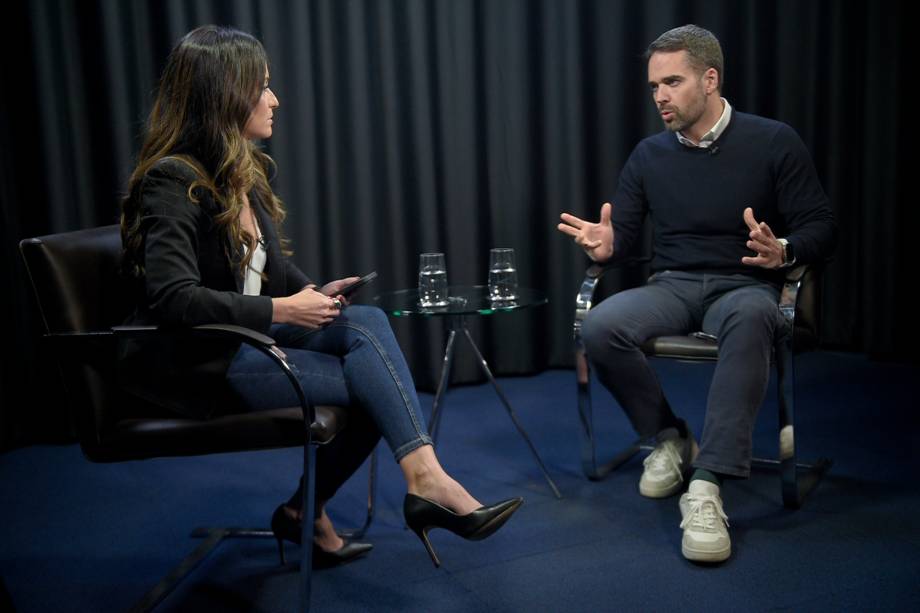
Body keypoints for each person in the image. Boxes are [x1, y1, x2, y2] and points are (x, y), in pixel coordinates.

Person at [119, 25, 521, 570]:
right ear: (224, 95)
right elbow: (173, 299)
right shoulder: (172, 179)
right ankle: (402, 488)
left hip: (242, 339)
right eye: (261, 87)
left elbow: (269, 270)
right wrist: (284, 310)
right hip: (197, 363)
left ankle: (362, 497)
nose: (274, 99)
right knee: (374, 390)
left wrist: (309, 291)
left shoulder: (241, 171)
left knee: (367, 321)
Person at [557, 24, 836, 563]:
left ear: (710, 80)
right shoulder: (649, 155)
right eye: (653, 86)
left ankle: (707, 484)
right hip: (676, 284)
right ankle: (669, 437)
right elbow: (628, 238)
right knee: (599, 325)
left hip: (747, 283)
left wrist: (785, 248)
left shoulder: (773, 140)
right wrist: (606, 246)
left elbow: (823, 226)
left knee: (755, 316)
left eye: (672, 82)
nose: (660, 96)